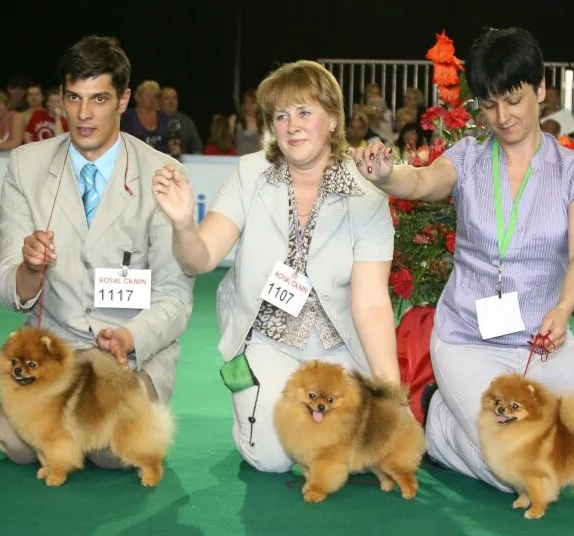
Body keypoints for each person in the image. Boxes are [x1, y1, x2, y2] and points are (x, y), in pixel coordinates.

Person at [352, 27, 574, 491]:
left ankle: (517, 437)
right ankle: (439, 420)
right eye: (489, 104)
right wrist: (389, 176)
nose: (502, 116)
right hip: (468, 342)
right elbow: (423, 182)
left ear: (540, 90)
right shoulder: (469, 157)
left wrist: (563, 309)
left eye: (513, 99)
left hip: (542, 344)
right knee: (515, 474)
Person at [152, 60, 399, 473]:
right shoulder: (251, 173)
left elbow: (372, 304)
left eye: (305, 112)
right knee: (272, 459)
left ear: (334, 121)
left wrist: (389, 391)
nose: (292, 125)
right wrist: (182, 224)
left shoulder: (366, 194)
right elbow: (201, 257)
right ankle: (255, 407)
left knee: (364, 453)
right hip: (267, 341)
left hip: (339, 347)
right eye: (281, 115)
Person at [0, 35, 193, 468]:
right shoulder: (26, 165)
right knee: (19, 447)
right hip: (53, 350)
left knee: (108, 453)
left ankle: (130, 410)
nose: (84, 115)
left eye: (99, 99)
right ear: (61, 98)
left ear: (122, 100)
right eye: (74, 98)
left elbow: (175, 297)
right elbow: (9, 290)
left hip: (126, 351)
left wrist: (129, 338)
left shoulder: (162, 173)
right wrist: (28, 266)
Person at [121, 79, 171, 152]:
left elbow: (170, 142)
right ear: (138, 97)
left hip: (162, 158)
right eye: (148, 95)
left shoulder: (164, 117)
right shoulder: (127, 117)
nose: (151, 98)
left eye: (155, 96)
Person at [161, 86, 203, 154]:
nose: (171, 102)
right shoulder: (153, 119)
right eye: (167, 98)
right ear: (159, 100)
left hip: (181, 162)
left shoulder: (187, 122)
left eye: (174, 98)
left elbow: (197, 149)